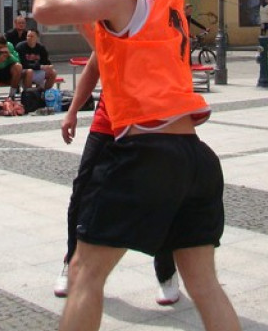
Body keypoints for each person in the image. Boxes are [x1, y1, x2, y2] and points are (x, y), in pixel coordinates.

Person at [33, 0, 244, 331]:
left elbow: (45, 13)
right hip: (194, 156)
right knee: (205, 285)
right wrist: (84, 12)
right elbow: (110, 50)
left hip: (147, 153)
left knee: (83, 272)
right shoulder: (171, 12)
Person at [54, 54, 180, 306]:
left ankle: (167, 272)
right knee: (82, 193)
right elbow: (93, 68)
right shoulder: (107, 30)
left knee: (157, 197)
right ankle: (72, 262)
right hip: (108, 120)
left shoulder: (156, 32)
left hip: (148, 121)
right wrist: (72, 111)